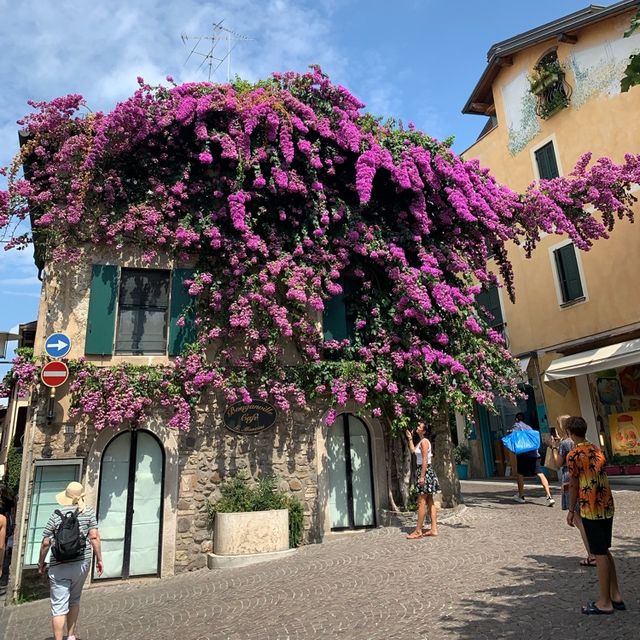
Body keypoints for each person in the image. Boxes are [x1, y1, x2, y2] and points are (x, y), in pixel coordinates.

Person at [565, 416, 623, 615]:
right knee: (604, 550)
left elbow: (573, 484)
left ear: (570, 433)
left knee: (599, 554)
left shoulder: (573, 454)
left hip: (591, 507)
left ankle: (604, 602)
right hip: (606, 504)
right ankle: (615, 595)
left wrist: (571, 511)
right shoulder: (597, 449)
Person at [38, 481, 104, 640]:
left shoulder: (56, 514)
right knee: (74, 599)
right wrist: (99, 559)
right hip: (81, 563)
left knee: (58, 607)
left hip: (59, 564)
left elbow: (46, 542)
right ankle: (72, 636)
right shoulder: (87, 512)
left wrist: (41, 562)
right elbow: (94, 537)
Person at [549, 415, 595, 567]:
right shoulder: (585, 444)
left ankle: (592, 554)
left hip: (570, 479)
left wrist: (553, 447)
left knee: (578, 519)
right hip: (585, 481)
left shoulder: (565, 443)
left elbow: (558, 463)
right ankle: (595, 552)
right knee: (586, 518)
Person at [404, 422, 440, 539]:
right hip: (425, 471)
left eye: (419, 426)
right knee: (429, 500)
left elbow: (425, 460)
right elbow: (413, 451)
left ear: (423, 431)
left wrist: (422, 476)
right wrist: (409, 438)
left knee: (421, 502)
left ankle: (418, 530)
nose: (417, 426)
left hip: (424, 471)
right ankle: (433, 529)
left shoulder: (424, 442)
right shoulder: (421, 441)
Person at [511, 412, 554, 506]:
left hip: (523, 453)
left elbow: (513, 438)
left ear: (516, 419)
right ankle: (549, 496)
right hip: (534, 453)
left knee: (520, 474)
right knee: (540, 473)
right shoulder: (529, 428)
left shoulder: (516, 426)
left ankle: (521, 495)